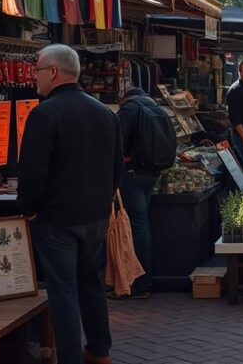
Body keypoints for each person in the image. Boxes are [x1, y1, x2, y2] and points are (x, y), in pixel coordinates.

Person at [18, 44, 123, 364]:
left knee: (62, 290)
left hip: (56, 218)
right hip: (95, 215)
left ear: (53, 72)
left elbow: (32, 170)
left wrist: (29, 208)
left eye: (37, 70)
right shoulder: (105, 113)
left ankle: (70, 357)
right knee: (90, 283)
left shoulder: (44, 114)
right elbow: (118, 167)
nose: (34, 77)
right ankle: (99, 350)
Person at [113, 87, 177, 299]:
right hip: (153, 172)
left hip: (132, 173)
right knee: (141, 223)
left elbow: (117, 143)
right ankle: (141, 280)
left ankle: (140, 283)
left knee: (136, 225)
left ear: (125, 97)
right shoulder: (155, 108)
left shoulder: (129, 109)